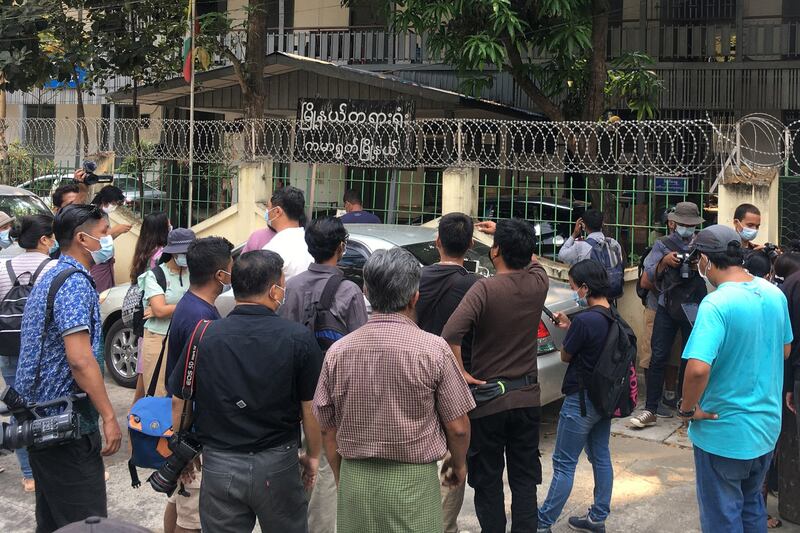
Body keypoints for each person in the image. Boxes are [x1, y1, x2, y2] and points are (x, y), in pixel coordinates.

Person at [313, 247, 474, 533]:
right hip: (414, 484)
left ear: (366, 291)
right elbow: (458, 428)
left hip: (356, 480)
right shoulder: (434, 350)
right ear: (415, 296)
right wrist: (458, 464)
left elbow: (327, 428)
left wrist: (340, 476)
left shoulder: (338, 352)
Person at [167, 250, 324, 532]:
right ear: (274, 290)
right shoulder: (298, 339)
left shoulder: (204, 335)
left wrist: (184, 450)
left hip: (219, 464)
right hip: (278, 464)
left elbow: (180, 400)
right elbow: (309, 407)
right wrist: (313, 456)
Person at [15, 204, 122, 532]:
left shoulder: (50, 273)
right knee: (86, 522)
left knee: (51, 518)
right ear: (82, 238)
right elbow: (79, 358)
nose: (107, 240)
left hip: (38, 418)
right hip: (65, 424)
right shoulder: (74, 282)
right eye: (103, 233)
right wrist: (108, 415)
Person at [679, 225, 792, 533]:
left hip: (723, 431)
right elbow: (785, 349)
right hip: (766, 427)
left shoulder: (716, 303)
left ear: (704, 260)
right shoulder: (773, 293)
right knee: (752, 507)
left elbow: (698, 368)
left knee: (722, 518)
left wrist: (688, 409)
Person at [443, 218, 550, 533]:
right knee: (524, 480)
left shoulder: (484, 289)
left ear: (496, 252)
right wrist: (508, 234)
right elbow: (532, 259)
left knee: (488, 482)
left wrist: (461, 372)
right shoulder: (538, 282)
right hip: (527, 400)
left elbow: (451, 333)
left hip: (488, 402)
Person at [280, 216, 367, 533]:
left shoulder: (291, 286)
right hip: (334, 398)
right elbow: (359, 351)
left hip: (295, 394)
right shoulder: (349, 292)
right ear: (341, 247)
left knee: (297, 464)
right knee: (327, 475)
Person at [158, 236, 232, 533]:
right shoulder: (200, 318)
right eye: (231, 267)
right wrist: (183, 448)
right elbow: (182, 393)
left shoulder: (190, 305)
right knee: (192, 515)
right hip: (193, 433)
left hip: (187, 429)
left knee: (178, 502)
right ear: (219, 275)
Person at [538, 260, 616, 533]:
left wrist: (570, 329)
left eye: (573, 286)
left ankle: (543, 521)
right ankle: (597, 518)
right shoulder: (611, 314)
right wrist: (572, 326)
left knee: (563, 463)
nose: (573, 291)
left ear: (585, 288)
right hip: (603, 399)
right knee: (600, 456)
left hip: (580, 401)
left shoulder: (585, 321)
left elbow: (566, 355)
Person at [415, 212, 480, 533]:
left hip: (413, 377)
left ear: (437, 241)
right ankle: (443, 526)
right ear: (470, 244)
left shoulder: (414, 280)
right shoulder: (477, 287)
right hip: (457, 379)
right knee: (452, 458)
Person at [630, 201, 706, 427]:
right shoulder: (662, 245)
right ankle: (650, 408)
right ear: (674, 223)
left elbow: (713, 274)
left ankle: (687, 406)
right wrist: (664, 263)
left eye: (691, 225)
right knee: (658, 355)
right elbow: (646, 280)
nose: (687, 228)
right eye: (683, 224)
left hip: (693, 306)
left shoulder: (702, 243)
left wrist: (698, 266)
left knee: (690, 357)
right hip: (666, 305)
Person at [0, 214, 59, 491]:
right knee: (49, 407)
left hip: (10, 348)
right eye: (52, 236)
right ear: (44, 239)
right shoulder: (54, 268)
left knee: (18, 408)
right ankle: (49, 467)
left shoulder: (3, 267)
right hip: (43, 352)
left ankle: (28, 474)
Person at [131, 228, 195, 402]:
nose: (186, 256)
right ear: (173, 253)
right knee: (158, 390)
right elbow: (159, 310)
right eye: (183, 252)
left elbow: (161, 310)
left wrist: (168, 309)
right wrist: (187, 306)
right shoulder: (156, 275)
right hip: (158, 338)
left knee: (184, 392)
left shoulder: (194, 273)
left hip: (186, 337)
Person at [263, 186, 313, 280]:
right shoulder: (313, 242)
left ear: (277, 211)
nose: (266, 212)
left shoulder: (272, 250)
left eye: (268, 207)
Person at [88, 186, 132, 293]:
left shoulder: (104, 214)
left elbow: (106, 239)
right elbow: (94, 237)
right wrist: (115, 229)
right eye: (113, 203)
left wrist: (118, 232)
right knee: (99, 293)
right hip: (96, 262)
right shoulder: (91, 213)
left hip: (106, 261)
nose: (114, 206)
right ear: (104, 201)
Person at [557, 209, 623, 267]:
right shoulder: (614, 243)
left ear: (583, 226)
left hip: (591, 281)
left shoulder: (580, 246)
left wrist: (574, 235)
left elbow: (561, 256)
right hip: (613, 281)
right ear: (602, 224)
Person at [129, 212, 171, 283]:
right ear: (162, 230)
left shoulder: (145, 247)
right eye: (168, 226)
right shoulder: (162, 253)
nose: (170, 227)